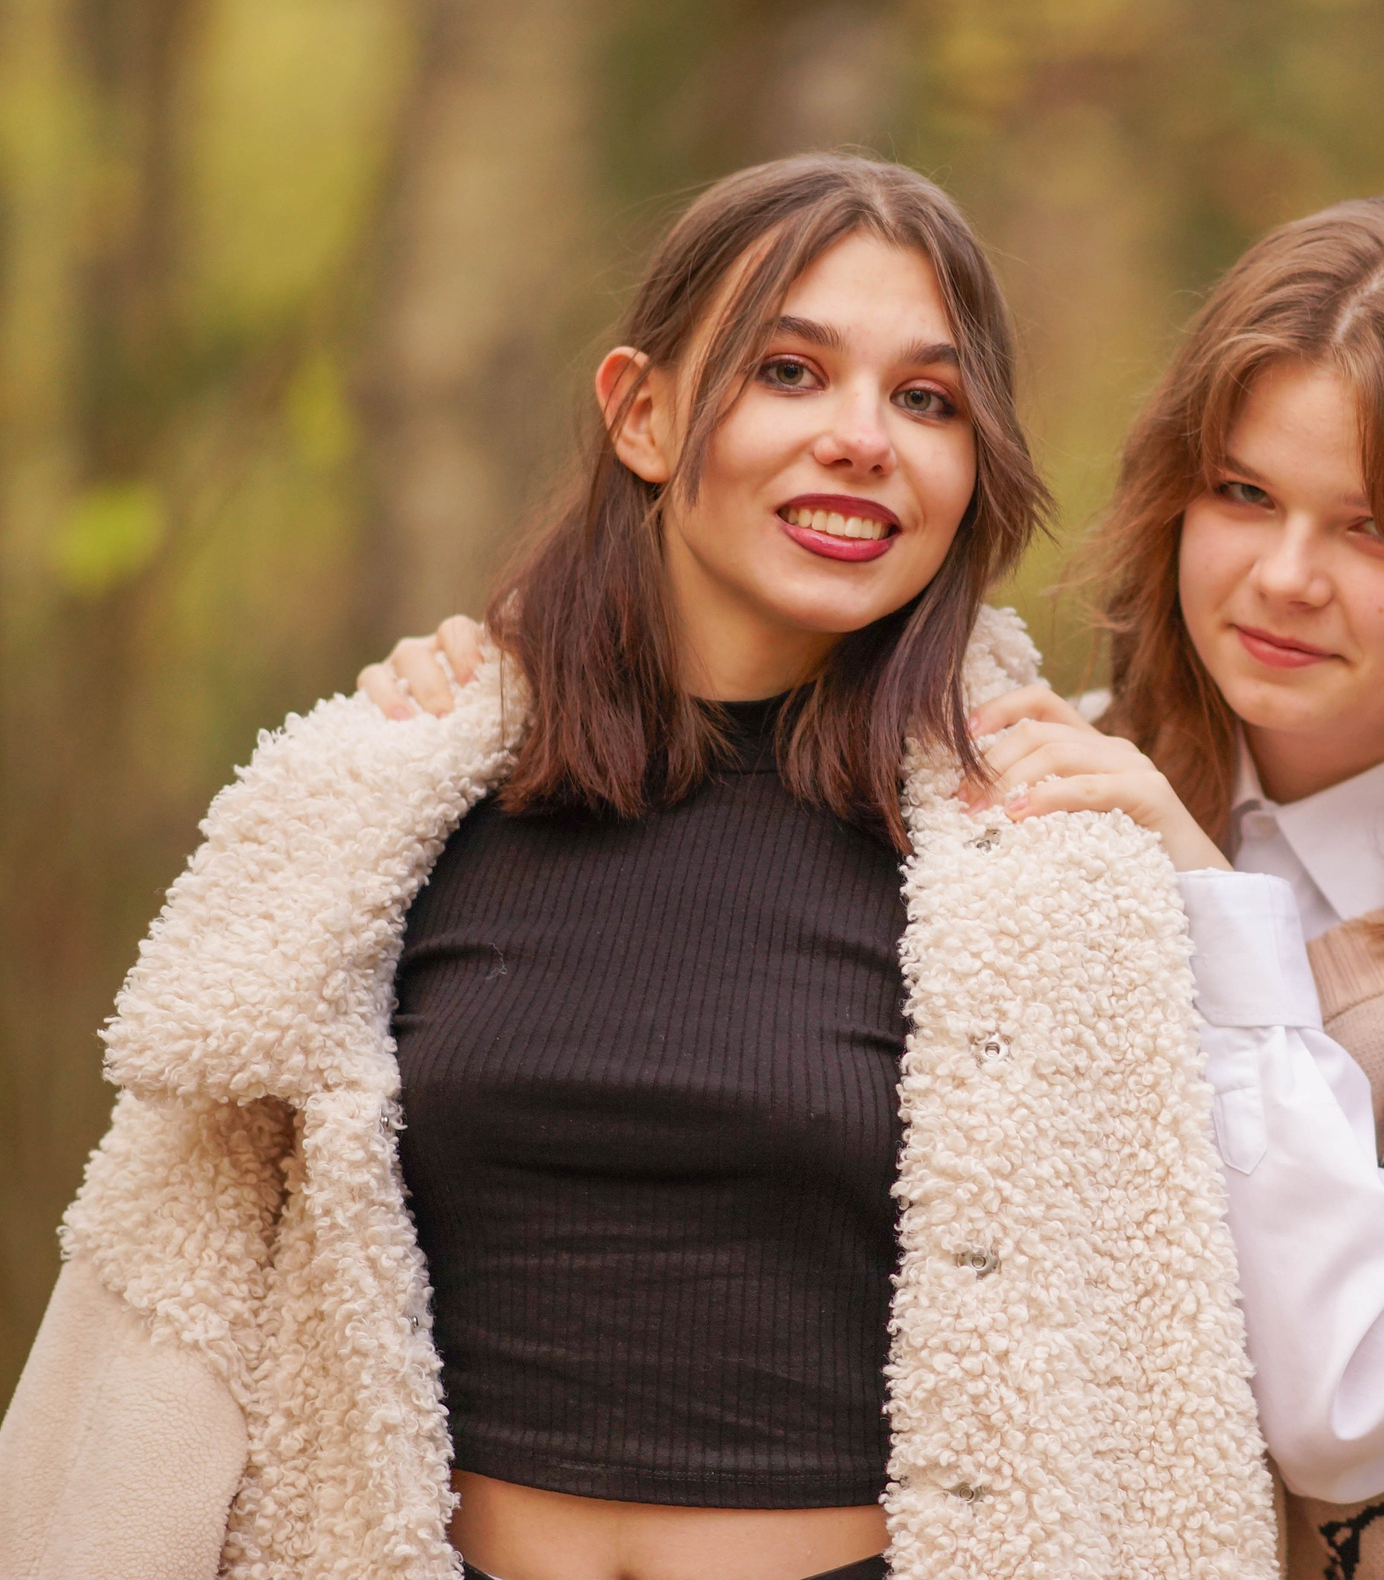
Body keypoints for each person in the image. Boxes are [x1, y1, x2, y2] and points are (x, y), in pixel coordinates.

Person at [376, 195, 1384, 1580]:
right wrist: (474, 702)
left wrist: (1215, 919)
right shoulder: (1048, 801)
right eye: (1243, 495)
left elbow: (1341, 1400)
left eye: (1380, 528)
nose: (1285, 577)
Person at [0, 153, 1276, 1580]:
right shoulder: (382, 804)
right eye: (790, 372)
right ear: (645, 414)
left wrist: (1195, 879)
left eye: (927, 399)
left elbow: (1158, 1401)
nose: (864, 438)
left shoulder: (1041, 864)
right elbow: (168, 1294)